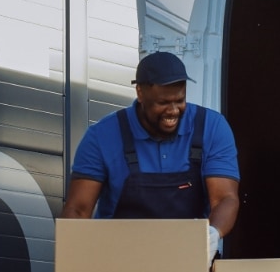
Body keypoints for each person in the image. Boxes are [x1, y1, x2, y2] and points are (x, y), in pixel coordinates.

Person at [60, 51, 240, 258]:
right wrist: (72, 262)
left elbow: (225, 198)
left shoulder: (212, 127)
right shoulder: (102, 136)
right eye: (163, 102)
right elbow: (78, 210)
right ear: (140, 93)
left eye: (180, 100)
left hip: (189, 258)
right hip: (118, 262)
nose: (173, 110)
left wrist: (212, 234)